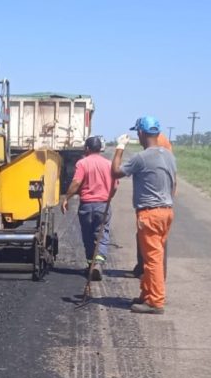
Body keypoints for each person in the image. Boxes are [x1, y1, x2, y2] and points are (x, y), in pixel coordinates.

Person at [111, 116, 177, 315]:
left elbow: (115, 172)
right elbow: (173, 185)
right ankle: (147, 294)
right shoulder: (169, 156)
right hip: (166, 211)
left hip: (150, 213)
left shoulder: (142, 158)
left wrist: (119, 147)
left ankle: (155, 301)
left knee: (153, 259)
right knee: (151, 257)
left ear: (140, 133)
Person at [61, 136, 117, 280]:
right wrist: (108, 197)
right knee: (102, 234)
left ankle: (91, 264)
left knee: (87, 236)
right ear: (101, 149)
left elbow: (76, 182)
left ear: (87, 148)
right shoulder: (109, 164)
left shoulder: (83, 163)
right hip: (103, 205)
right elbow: (115, 185)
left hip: (86, 205)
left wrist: (66, 198)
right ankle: (98, 263)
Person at [129, 122, 173, 278]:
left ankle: (155, 287)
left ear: (142, 133)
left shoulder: (152, 152)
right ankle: (150, 275)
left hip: (151, 206)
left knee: (153, 251)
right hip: (164, 203)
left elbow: (117, 172)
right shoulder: (166, 152)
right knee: (156, 244)